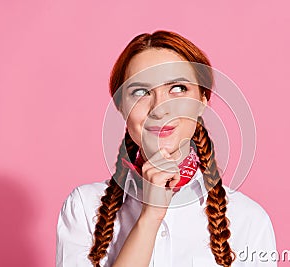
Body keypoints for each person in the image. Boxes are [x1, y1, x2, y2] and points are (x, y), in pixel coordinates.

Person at [56, 30, 277, 267]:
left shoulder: (249, 220)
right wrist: (150, 217)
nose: (160, 109)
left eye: (178, 88)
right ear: (121, 107)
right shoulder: (83, 207)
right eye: (140, 92)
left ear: (202, 101)